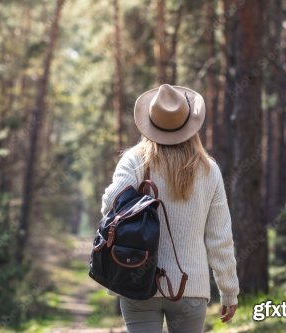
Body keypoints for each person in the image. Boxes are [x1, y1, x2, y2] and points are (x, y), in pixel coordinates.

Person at [100, 84, 239, 333]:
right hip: (191, 286)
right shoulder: (209, 170)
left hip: (137, 278)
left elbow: (111, 205)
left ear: (150, 123)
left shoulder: (134, 160)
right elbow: (220, 238)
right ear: (191, 125)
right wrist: (229, 291)